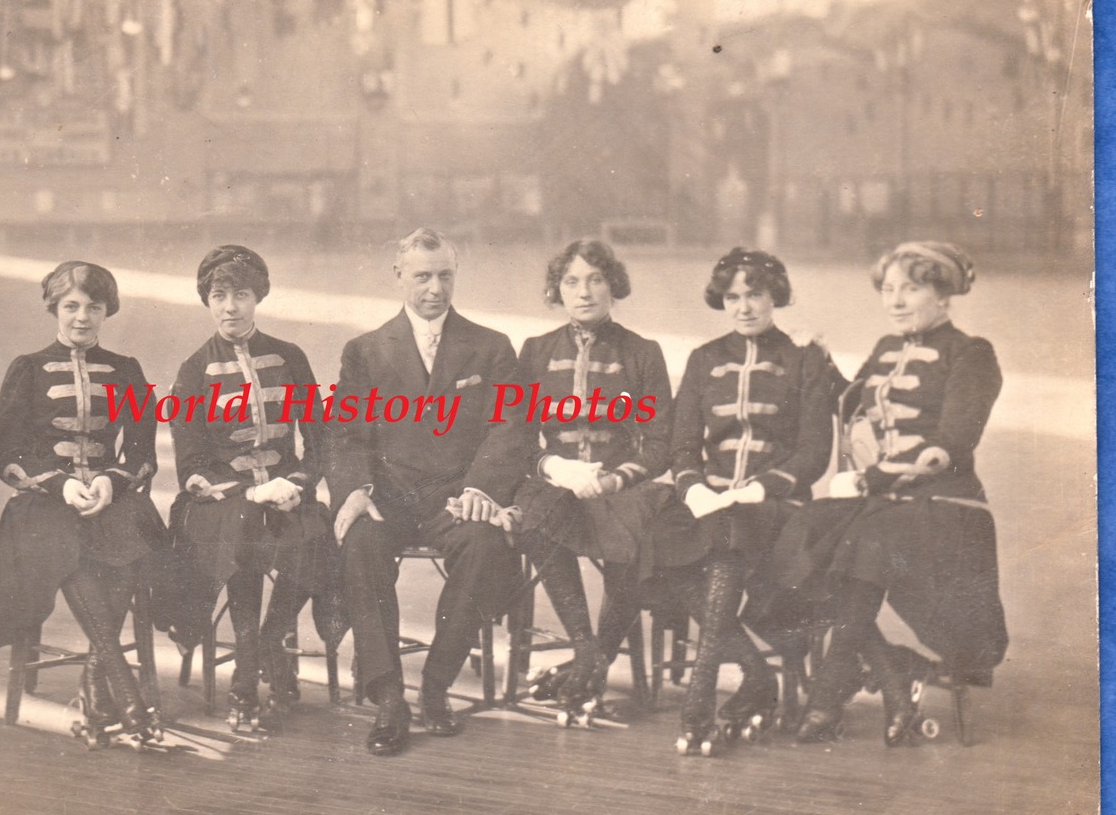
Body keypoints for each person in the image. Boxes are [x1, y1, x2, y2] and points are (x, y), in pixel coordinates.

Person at [783, 241, 1007, 746]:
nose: (897, 300)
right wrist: (819, 362)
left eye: (911, 288)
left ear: (943, 294)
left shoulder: (971, 353)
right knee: (803, 533)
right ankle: (890, 673)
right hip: (881, 504)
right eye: (889, 290)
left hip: (944, 505)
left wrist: (875, 478)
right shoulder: (885, 348)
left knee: (865, 540)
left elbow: (950, 444)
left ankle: (826, 695)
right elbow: (850, 404)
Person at [329, 228, 531, 756]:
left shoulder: (490, 348)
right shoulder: (364, 352)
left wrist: (481, 489)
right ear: (400, 276)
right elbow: (346, 435)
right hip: (389, 496)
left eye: (444, 275)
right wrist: (354, 491)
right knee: (359, 544)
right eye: (422, 276)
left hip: (455, 496)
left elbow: (512, 425)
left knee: (486, 547)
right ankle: (389, 695)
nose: (435, 288)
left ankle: (437, 684)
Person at [0, 261, 168, 745]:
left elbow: (143, 455)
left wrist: (111, 480)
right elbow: (10, 459)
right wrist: (60, 484)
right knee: (71, 551)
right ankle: (124, 693)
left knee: (131, 545)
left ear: (107, 312)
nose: (82, 317)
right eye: (71, 306)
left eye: (94, 307)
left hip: (111, 499)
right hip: (45, 506)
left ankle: (97, 693)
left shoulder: (127, 371)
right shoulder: (28, 369)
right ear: (54, 309)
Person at [667, 248, 836, 756]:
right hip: (712, 500)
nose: (743, 306)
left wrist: (763, 486)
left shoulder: (803, 357)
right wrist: (693, 486)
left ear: (773, 296)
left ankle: (698, 699)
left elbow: (814, 452)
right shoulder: (703, 359)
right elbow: (681, 445)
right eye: (733, 296)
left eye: (754, 294)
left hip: (776, 508)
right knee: (656, 541)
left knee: (730, 531)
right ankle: (756, 672)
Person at [166, 245, 338, 732]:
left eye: (241, 294)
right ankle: (245, 682)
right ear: (207, 300)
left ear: (257, 296)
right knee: (244, 535)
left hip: (287, 493)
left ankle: (268, 642)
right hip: (223, 502)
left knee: (315, 536)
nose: (231, 307)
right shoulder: (194, 369)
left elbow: (320, 439)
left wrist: (301, 483)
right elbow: (191, 462)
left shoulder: (289, 357)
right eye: (219, 295)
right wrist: (245, 492)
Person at [512, 239, 675, 725]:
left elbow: (660, 443)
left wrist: (614, 479)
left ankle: (590, 661)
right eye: (571, 282)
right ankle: (589, 654)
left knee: (638, 526)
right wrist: (554, 468)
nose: (584, 292)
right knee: (534, 514)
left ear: (613, 286)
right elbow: (514, 436)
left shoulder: (643, 352)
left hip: (620, 487)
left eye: (595, 280)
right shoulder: (536, 352)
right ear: (556, 290)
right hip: (559, 485)